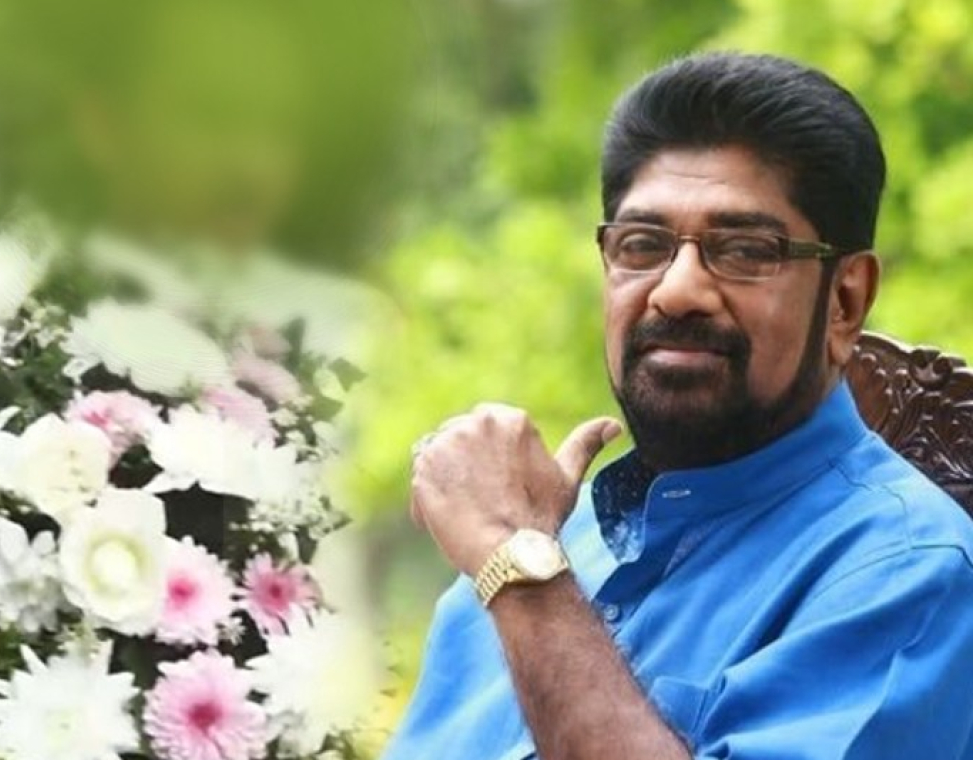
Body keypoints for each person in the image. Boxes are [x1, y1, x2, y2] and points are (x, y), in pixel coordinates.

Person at [384, 52, 973, 760]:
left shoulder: (908, 570)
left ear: (844, 301)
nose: (677, 291)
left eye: (745, 250)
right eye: (642, 246)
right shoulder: (542, 544)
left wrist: (520, 569)